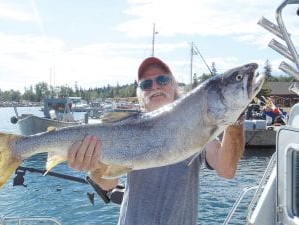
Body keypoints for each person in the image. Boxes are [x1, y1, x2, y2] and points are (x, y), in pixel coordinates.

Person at [67, 57, 245, 225]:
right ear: (140, 94)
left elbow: (226, 170)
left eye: (162, 80)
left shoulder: (196, 127)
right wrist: (93, 167)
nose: (154, 87)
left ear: (173, 85)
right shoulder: (127, 127)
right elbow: (108, 183)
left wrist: (235, 119)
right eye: (146, 84)